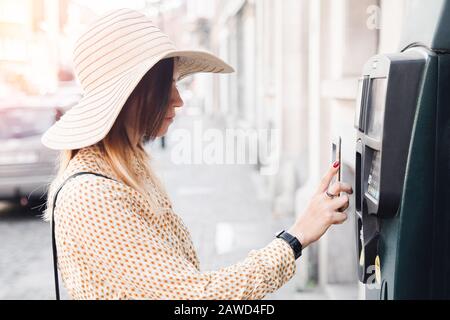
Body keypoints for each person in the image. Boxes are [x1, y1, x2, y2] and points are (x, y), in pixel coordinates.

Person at [42, 8, 352, 300]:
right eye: (167, 85)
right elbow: (196, 297)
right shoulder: (92, 195)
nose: (178, 100)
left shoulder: (126, 166)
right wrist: (295, 237)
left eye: (176, 83)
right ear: (133, 94)